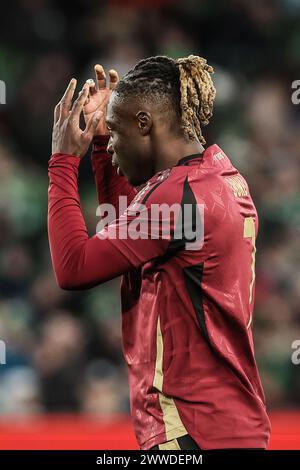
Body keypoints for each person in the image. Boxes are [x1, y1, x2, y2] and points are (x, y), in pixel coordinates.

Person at [48, 55, 271, 450]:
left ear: (144, 124)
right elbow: (130, 231)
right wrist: (100, 145)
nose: (113, 144)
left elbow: (73, 268)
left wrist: (63, 161)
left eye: (116, 132)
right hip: (230, 426)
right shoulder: (218, 177)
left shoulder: (178, 197)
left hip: (189, 428)